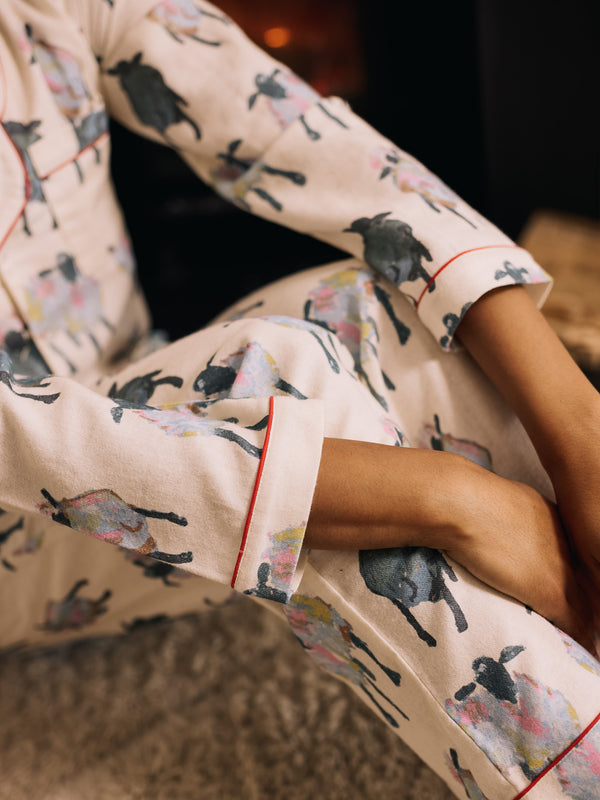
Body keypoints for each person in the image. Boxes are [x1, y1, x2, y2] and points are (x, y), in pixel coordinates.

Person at [0, 1, 599, 797]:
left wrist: (581, 429)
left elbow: (308, 143)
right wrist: (449, 500)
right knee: (266, 375)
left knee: (375, 301)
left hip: (130, 382)